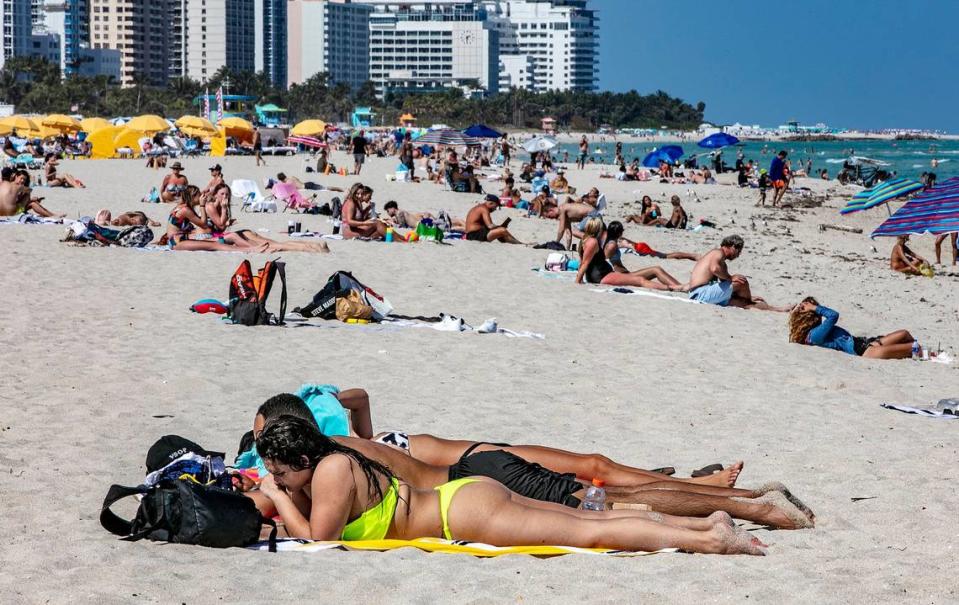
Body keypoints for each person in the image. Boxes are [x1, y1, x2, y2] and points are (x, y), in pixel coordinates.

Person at [254, 416, 772, 553]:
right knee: (601, 498)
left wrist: (277, 497)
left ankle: (717, 527)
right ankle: (707, 513)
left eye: (280, 470)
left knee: (598, 513)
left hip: (470, 505)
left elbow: (319, 539)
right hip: (476, 480)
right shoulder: (346, 451)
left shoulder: (330, 473)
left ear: (300, 457)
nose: (278, 481)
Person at [679, 235, 792, 311]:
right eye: (739, 251)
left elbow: (727, 283)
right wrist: (730, 277)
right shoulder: (718, 253)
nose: (738, 255)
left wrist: (749, 296)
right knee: (742, 280)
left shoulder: (722, 262)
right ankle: (750, 300)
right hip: (700, 293)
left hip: (701, 294)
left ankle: (777, 309)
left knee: (744, 304)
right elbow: (714, 269)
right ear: (732, 247)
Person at [789, 297, 918, 359]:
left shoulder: (815, 331)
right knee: (914, 348)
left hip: (864, 343)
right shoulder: (814, 336)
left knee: (904, 334)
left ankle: (921, 355)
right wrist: (814, 308)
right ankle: (927, 355)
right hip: (864, 352)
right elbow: (833, 316)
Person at [576, 218, 683, 291]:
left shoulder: (585, 240)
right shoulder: (594, 242)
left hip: (601, 275)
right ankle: (672, 288)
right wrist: (578, 281)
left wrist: (582, 278)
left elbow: (583, 261)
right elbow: (585, 263)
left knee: (654, 270)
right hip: (602, 276)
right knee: (641, 280)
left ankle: (679, 286)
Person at [383, 200, 464, 231]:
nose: (388, 213)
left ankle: (463, 226)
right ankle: (462, 223)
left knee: (449, 227)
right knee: (449, 224)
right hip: (422, 223)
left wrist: (392, 224)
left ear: (393, 208)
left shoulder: (399, 213)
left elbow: (402, 227)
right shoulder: (401, 212)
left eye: (388, 210)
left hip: (422, 225)